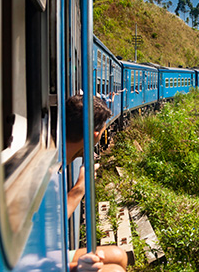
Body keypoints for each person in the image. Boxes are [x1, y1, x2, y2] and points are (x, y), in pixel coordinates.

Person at [65, 95, 128, 272]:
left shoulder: (58, 159)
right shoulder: (47, 169)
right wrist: (74, 269)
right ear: (95, 134)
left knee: (119, 255)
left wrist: (81, 187)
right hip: (41, 261)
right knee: (115, 270)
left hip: (48, 254)